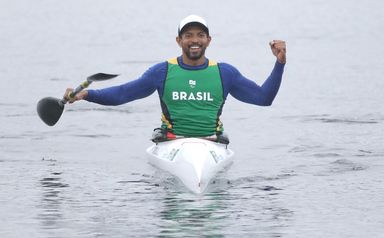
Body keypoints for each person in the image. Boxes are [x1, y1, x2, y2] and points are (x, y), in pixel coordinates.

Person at [64, 14, 286, 143]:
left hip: (211, 142)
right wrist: (85, 94)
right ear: (178, 40)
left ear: (209, 40)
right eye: (188, 35)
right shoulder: (162, 72)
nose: (194, 40)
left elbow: (263, 98)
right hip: (171, 141)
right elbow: (123, 94)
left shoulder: (224, 73)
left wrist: (279, 63)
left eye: (200, 35)